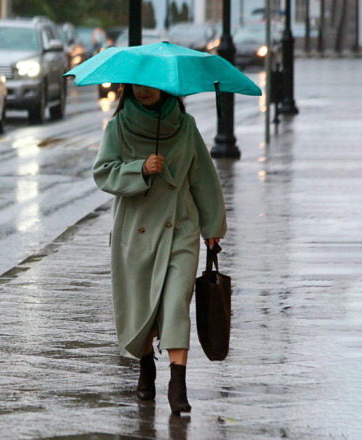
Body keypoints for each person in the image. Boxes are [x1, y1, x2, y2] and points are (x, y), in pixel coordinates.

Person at [92, 84, 226, 414]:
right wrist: (140, 168)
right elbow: (103, 173)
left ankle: (177, 385)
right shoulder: (118, 127)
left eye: (151, 85)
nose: (144, 90)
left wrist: (212, 228)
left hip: (180, 227)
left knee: (176, 303)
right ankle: (146, 363)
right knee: (142, 306)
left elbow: (203, 177)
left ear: (165, 87)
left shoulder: (185, 126)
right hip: (135, 231)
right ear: (128, 87)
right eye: (137, 85)